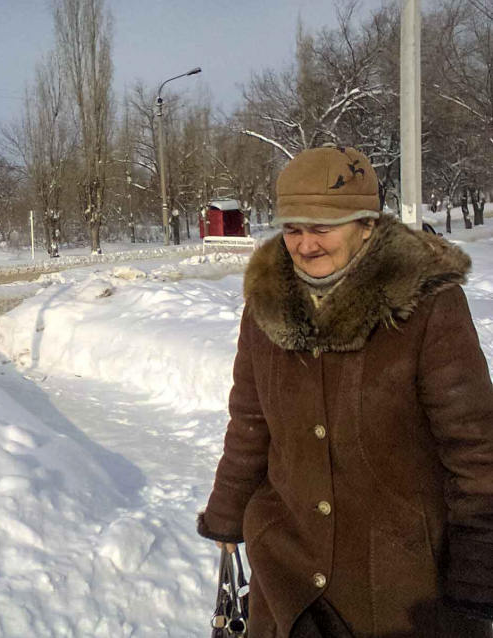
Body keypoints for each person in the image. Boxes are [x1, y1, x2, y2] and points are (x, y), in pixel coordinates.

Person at [196, 145, 493, 637]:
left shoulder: (428, 306)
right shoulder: (266, 304)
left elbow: (475, 448)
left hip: (399, 584)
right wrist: (228, 515)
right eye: (293, 229)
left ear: (367, 225)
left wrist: (478, 570)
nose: (305, 245)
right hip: (286, 571)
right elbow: (250, 420)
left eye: (322, 228)